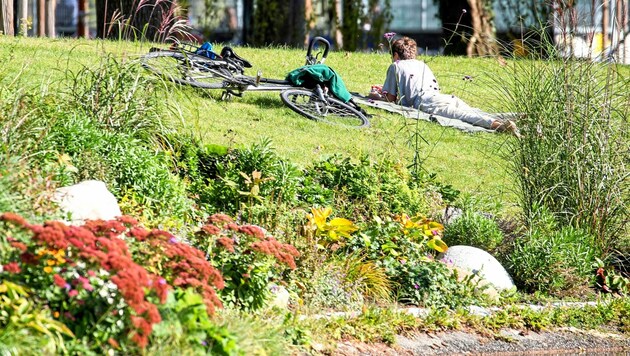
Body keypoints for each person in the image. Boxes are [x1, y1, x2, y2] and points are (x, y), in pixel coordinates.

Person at [369, 36, 520, 136]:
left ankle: (501, 127)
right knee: (475, 111)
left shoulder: (396, 66)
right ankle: (519, 119)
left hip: (426, 102)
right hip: (444, 97)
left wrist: (375, 95)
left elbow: (390, 99)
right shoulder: (422, 65)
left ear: (395, 55)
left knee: (465, 116)